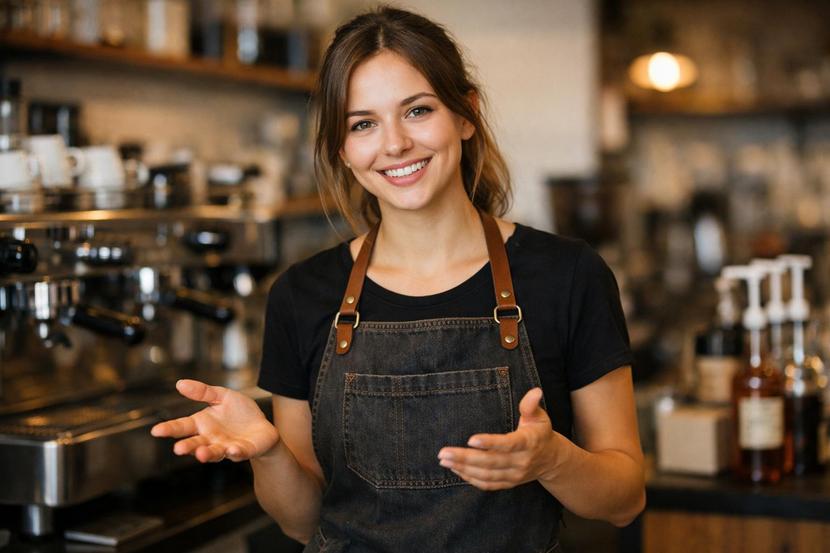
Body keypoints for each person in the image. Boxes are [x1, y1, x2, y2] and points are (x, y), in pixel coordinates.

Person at [151, 6, 645, 552]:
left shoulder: (567, 276)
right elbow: (301, 521)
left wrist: (555, 460)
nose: (394, 145)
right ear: (342, 148)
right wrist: (269, 454)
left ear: (465, 114)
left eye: (416, 111)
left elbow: (624, 500)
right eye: (363, 123)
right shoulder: (302, 296)